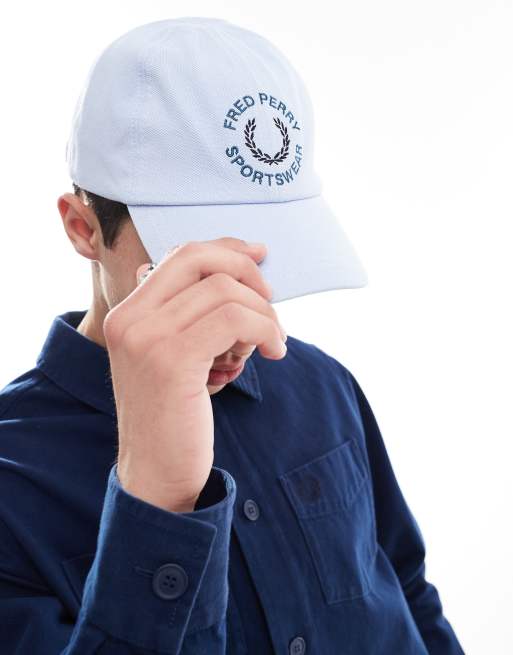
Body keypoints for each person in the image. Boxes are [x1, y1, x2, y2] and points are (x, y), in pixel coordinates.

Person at [0, 17, 465, 654]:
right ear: (84, 228)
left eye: (269, 263)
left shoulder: (320, 383)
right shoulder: (12, 480)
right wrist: (156, 503)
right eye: (195, 271)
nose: (240, 317)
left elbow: (405, 587)